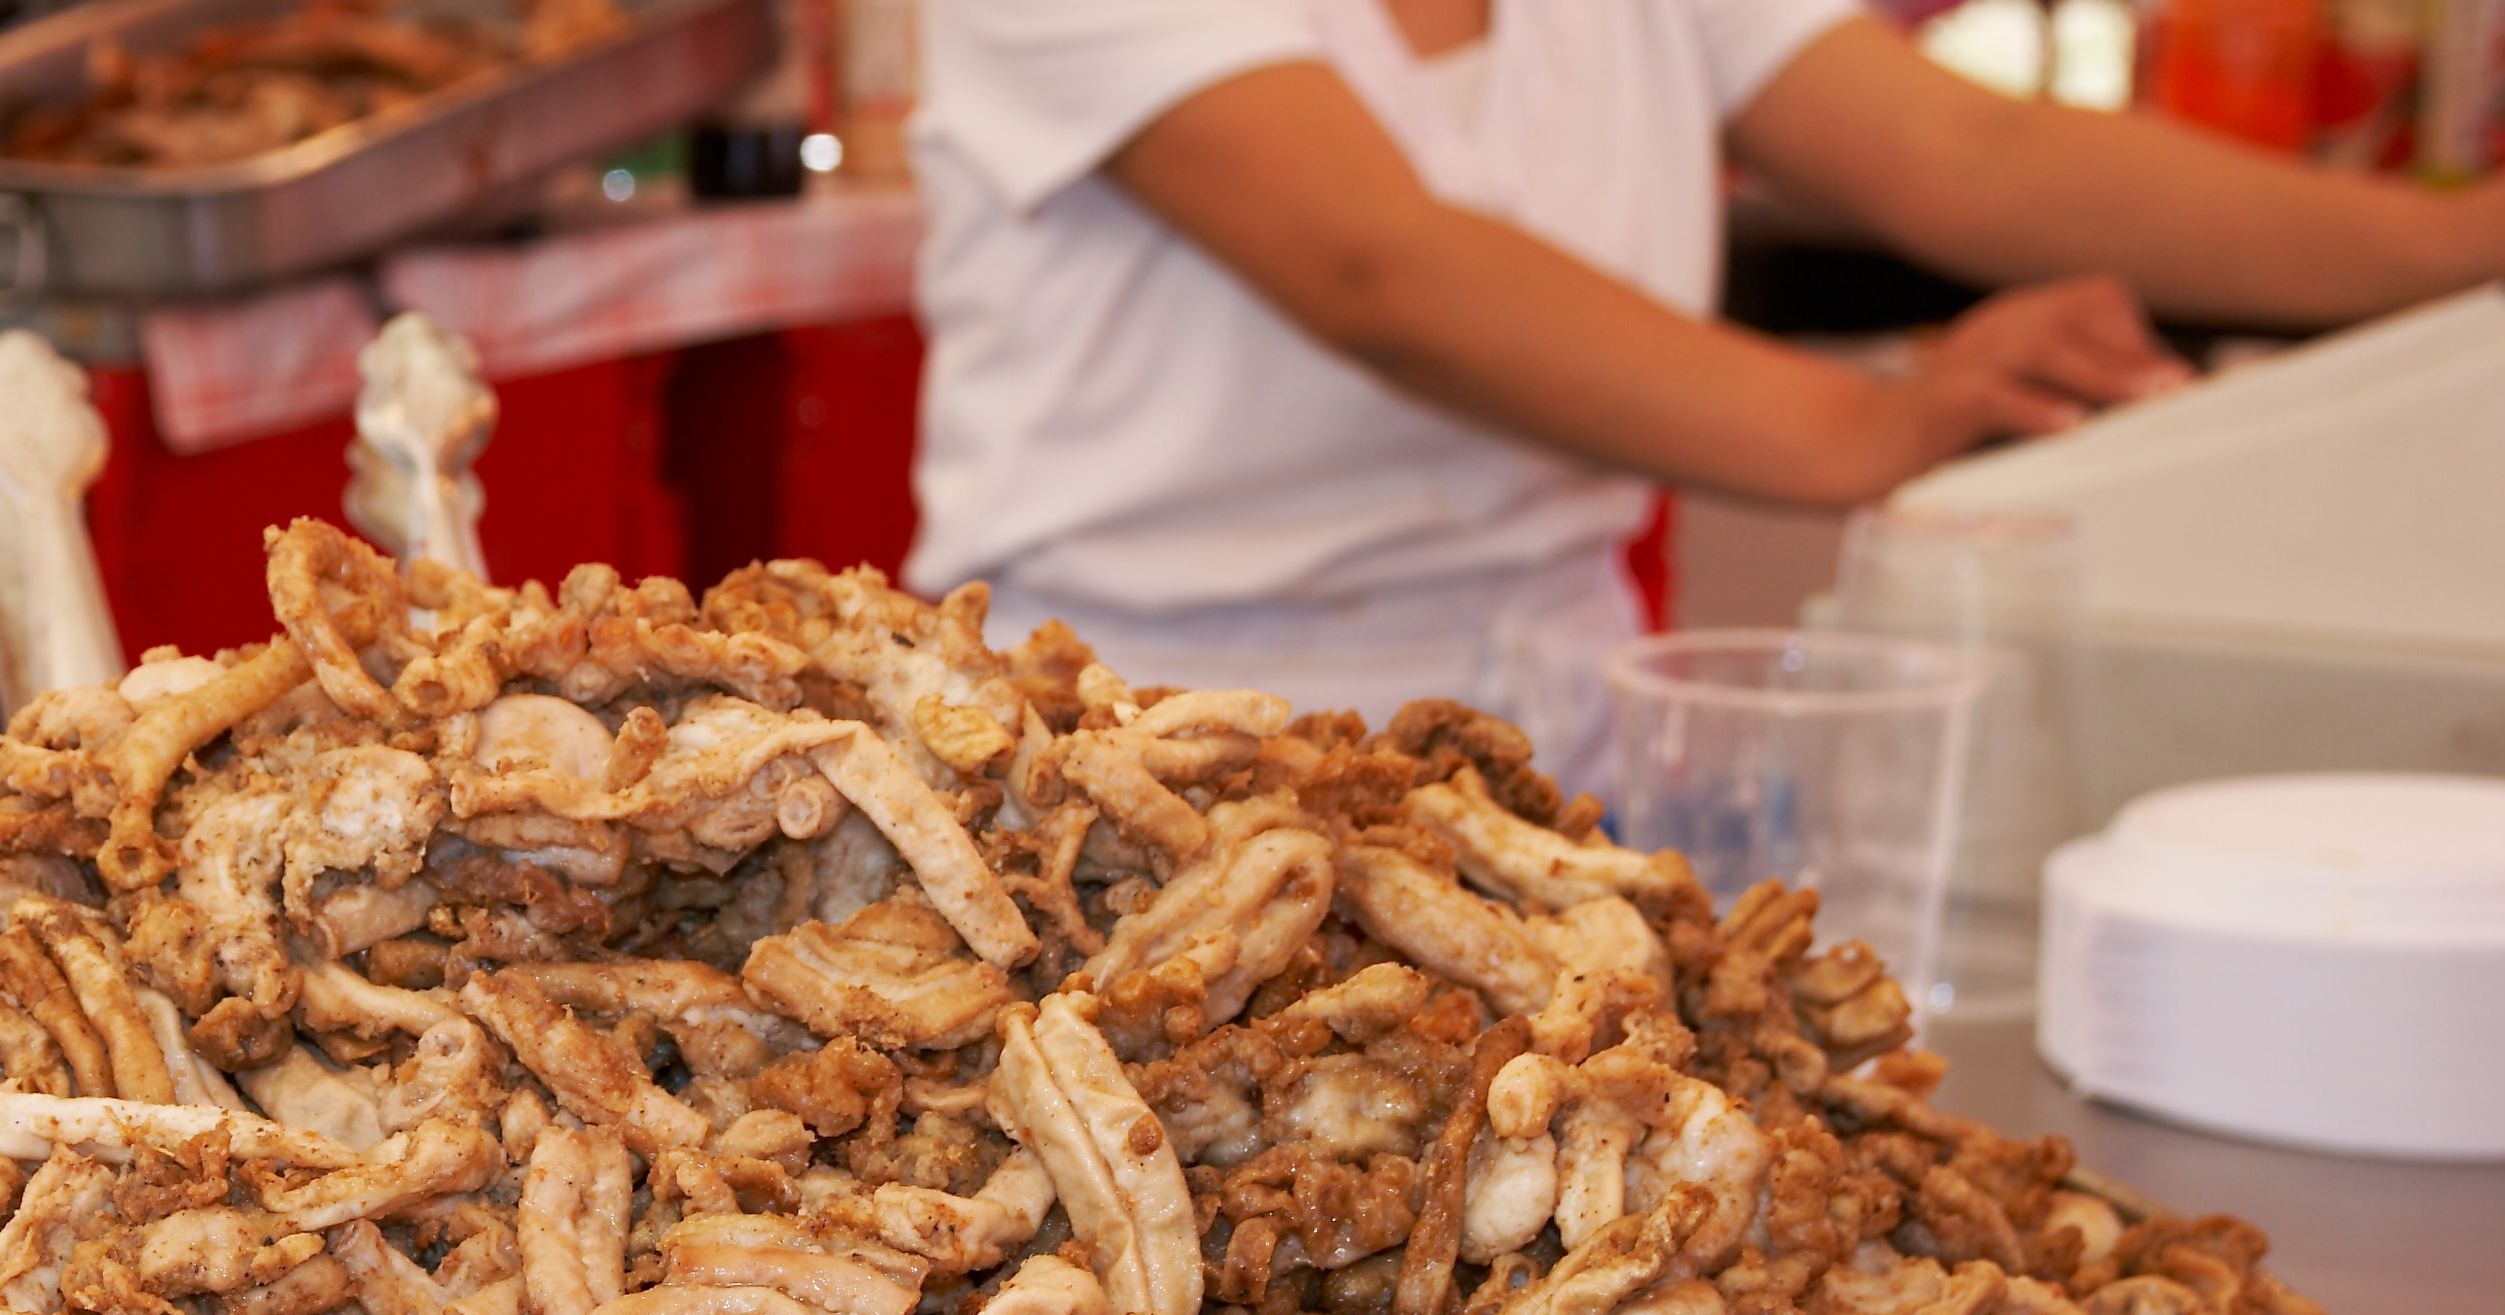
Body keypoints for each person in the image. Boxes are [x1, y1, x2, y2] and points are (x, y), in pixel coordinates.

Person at [906, 0, 2505, 765]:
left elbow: (1969, 149)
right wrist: (1869, 426)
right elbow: (1377, 267)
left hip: (1559, 732)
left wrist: (2456, 253)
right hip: (1127, 729)